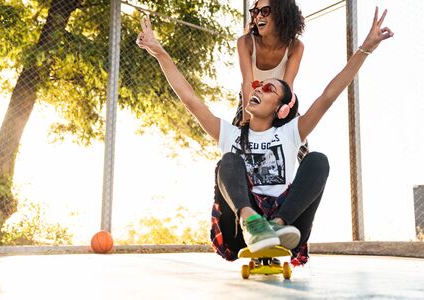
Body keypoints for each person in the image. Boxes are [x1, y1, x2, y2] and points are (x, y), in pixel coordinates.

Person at [136, 8, 393, 265]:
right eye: (259, 85)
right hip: (238, 234)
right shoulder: (231, 134)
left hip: (287, 227)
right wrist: (160, 53)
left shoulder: (291, 133)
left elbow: (329, 95)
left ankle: (277, 227)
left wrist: (365, 49)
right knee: (229, 161)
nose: (258, 86)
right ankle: (253, 224)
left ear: (281, 108)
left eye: (269, 88)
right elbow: (190, 99)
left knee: (317, 160)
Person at [234, 0, 305, 127]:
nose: (258, 16)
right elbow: (247, 84)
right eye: (255, 12)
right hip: (251, 99)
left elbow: (287, 88)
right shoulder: (245, 42)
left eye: (265, 11)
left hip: (278, 101)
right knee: (238, 142)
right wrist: (247, 125)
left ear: (281, 14)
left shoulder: (295, 47)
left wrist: (283, 122)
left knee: (298, 142)